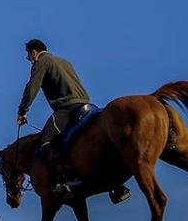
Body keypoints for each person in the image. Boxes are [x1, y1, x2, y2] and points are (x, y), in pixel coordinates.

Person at [16, 39, 129, 203]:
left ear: (33, 52)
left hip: (67, 109)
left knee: (45, 144)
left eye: (29, 57)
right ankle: (117, 184)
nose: (30, 60)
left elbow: (32, 87)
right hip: (87, 106)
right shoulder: (64, 62)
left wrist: (23, 111)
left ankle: (66, 181)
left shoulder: (41, 62)